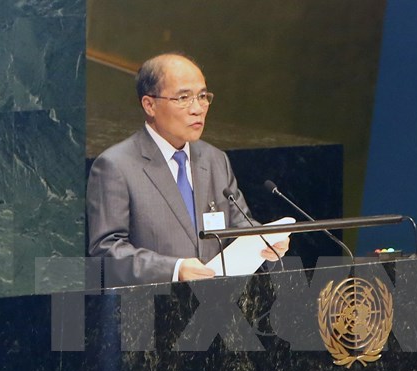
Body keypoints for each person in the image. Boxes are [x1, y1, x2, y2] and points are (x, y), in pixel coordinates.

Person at [87, 53, 289, 285]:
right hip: (152, 302)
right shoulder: (116, 166)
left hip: (218, 300)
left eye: (202, 96)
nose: (198, 109)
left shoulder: (214, 159)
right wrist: (174, 270)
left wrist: (263, 240)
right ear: (149, 105)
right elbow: (106, 251)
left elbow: (239, 226)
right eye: (183, 98)